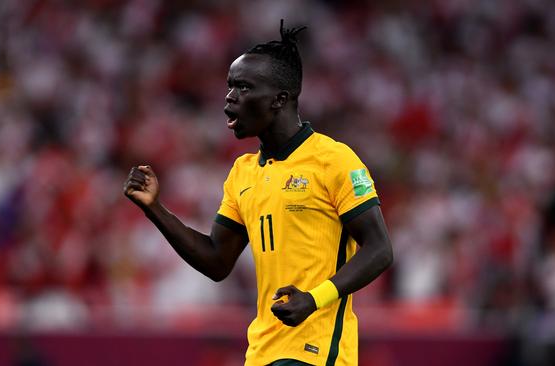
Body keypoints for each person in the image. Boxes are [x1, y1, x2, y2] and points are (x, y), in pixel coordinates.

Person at [124, 20, 393, 366]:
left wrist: (314, 298)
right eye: (229, 87)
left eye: (244, 88)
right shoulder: (243, 173)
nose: (229, 98)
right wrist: (155, 209)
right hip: (262, 351)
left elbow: (380, 249)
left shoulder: (334, 160)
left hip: (316, 351)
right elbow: (217, 260)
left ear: (280, 99)